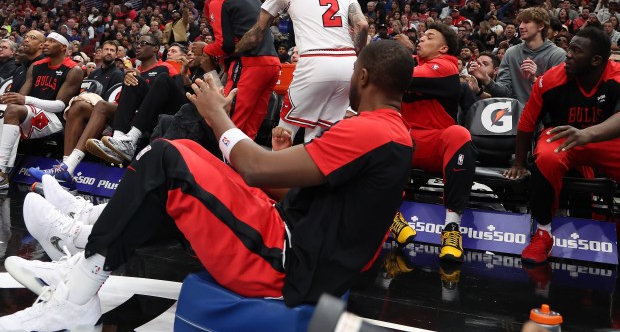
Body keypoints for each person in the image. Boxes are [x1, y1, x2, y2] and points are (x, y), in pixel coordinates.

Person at [0, 41, 415, 331]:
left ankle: (77, 287)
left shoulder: (371, 131)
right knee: (177, 151)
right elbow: (299, 194)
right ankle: (84, 243)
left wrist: (218, 115)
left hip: (287, 265)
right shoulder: (390, 132)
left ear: (361, 76)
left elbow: (255, 168)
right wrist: (276, 163)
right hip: (298, 248)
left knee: (168, 160)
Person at [504, 27, 620, 264]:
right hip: (564, 138)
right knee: (546, 155)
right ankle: (543, 233)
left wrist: (589, 134)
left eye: (576, 51)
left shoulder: (616, 76)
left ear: (596, 60)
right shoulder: (550, 80)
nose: (568, 54)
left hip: (604, 139)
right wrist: (518, 162)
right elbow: (527, 123)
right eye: (569, 48)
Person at [234, 0, 368, 143]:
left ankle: (277, 172)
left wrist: (232, 51)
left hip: (316, 62)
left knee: (284, 133)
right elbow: (362, 25)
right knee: (322, 138)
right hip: (348, 65)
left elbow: (256, 34)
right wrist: (355, 54)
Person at [28, 35, 177, 184]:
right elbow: (121, 104)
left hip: (156, 116)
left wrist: (183, 77)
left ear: (156, 48)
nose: (138, 46)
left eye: (144, 43)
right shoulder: (132, 72)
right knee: (86, 106)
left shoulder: (166, 68)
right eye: (137, 42)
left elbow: (176, 94)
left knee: (148, 80)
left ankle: (127, 141)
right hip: (130, 117)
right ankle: (68, 166)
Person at [398, 23, 477, 263]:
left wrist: (397, 56)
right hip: (404, 140)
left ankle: (452, 230)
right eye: (421, 36)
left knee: (459, 134)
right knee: (373, 134)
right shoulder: (410, 61)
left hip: (435, 143)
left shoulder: (446, 66)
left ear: (443, 48)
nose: (421, 39)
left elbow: (394, 71)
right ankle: (390, 217)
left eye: (429, 37)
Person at [191, 0, 281, 141]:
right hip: (272, 63)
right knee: (252, 125)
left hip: (249, 64)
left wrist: (205, 49)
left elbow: (224, 46)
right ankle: (245, 166)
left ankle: (225, 166)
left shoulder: (220, 1)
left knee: (230, 122)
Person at [0, 33, 83, 187]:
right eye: (46, 41)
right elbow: (21, 97)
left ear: (63, 47)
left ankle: (1, 171)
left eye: (52, 41)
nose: (46, 44)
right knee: (4, 110)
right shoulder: (36, 66)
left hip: (56, 119)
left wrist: (26, 101)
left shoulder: (73, 69)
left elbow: (60, 105)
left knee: (12, 112)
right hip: (32, 112)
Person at [469, 8, 566, 104]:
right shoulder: (511, 53)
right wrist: (486, 80)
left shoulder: (558, 55)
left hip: (545, 117)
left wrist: (535, 80)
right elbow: (504, 93)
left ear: (540, 26)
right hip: (515, 115)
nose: (521, 27)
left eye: (526, 22)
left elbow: (558, 97)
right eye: (520, 23)